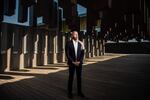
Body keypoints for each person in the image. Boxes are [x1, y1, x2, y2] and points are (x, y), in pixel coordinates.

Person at [65, 30, 85, 99]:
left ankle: (79, 92)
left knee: (79, 78)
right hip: (72, 63)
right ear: (72, 35)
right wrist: (73, 61)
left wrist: (80, 61)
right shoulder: (68, 43)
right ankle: (69, 92)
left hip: (79, 63)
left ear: (78, 35)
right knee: (71, 77)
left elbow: (82, 53)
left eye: (76, 34)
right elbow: (67, 54)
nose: (75, 35)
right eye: (74, 34)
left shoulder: (81, 43)